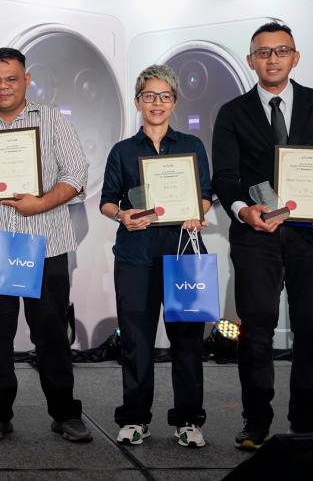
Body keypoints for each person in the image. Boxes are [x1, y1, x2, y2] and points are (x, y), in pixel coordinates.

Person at [212, 22, 313, 450]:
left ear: (295, 57)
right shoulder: (232, 112)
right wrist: (244, 210)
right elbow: (225, 176)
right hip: (256, 236)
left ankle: (306, 418)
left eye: (281, 51)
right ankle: (256, 420)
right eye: (263, 52)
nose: (273, 58)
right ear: (250, 61)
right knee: (256, 328)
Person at [0, 47, 92, 443]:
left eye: (11, 78)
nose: (3, 86)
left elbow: (77, 173)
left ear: (27, 80)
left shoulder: (53, 122)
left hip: (44, 245)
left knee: (51, 333)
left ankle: (64, 412)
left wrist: (41, 203)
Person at [99, 65, 213, 448]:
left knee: (187, 342)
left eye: (165, 96)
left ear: (175, 102)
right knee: (136, 341)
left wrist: (199, 210)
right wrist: (122, 215)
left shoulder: (192, 146)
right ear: (137, 101)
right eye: (149, 95)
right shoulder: (122, 151)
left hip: (183, 254)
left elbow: (205, 194)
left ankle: (188, 420)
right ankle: (135, 418)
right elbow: (107, 202)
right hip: (136, 257)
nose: (157, 103)